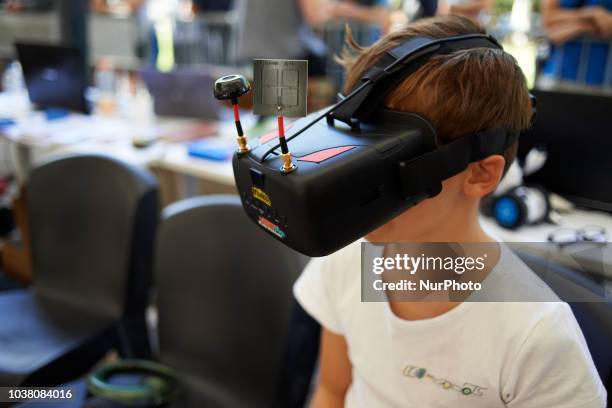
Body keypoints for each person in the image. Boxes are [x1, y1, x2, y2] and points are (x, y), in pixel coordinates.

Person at [293, 15, 607, 408]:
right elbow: (332, 391)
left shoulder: (537, 335)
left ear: (479, 173)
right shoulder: (343, 262)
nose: (354, 186)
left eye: (388, 164)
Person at [539, 0, 612, 89]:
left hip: (603, 80)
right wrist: (592, 14)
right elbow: (549, 19)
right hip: (559, 75)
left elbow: (607, 24)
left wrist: (581, 26)